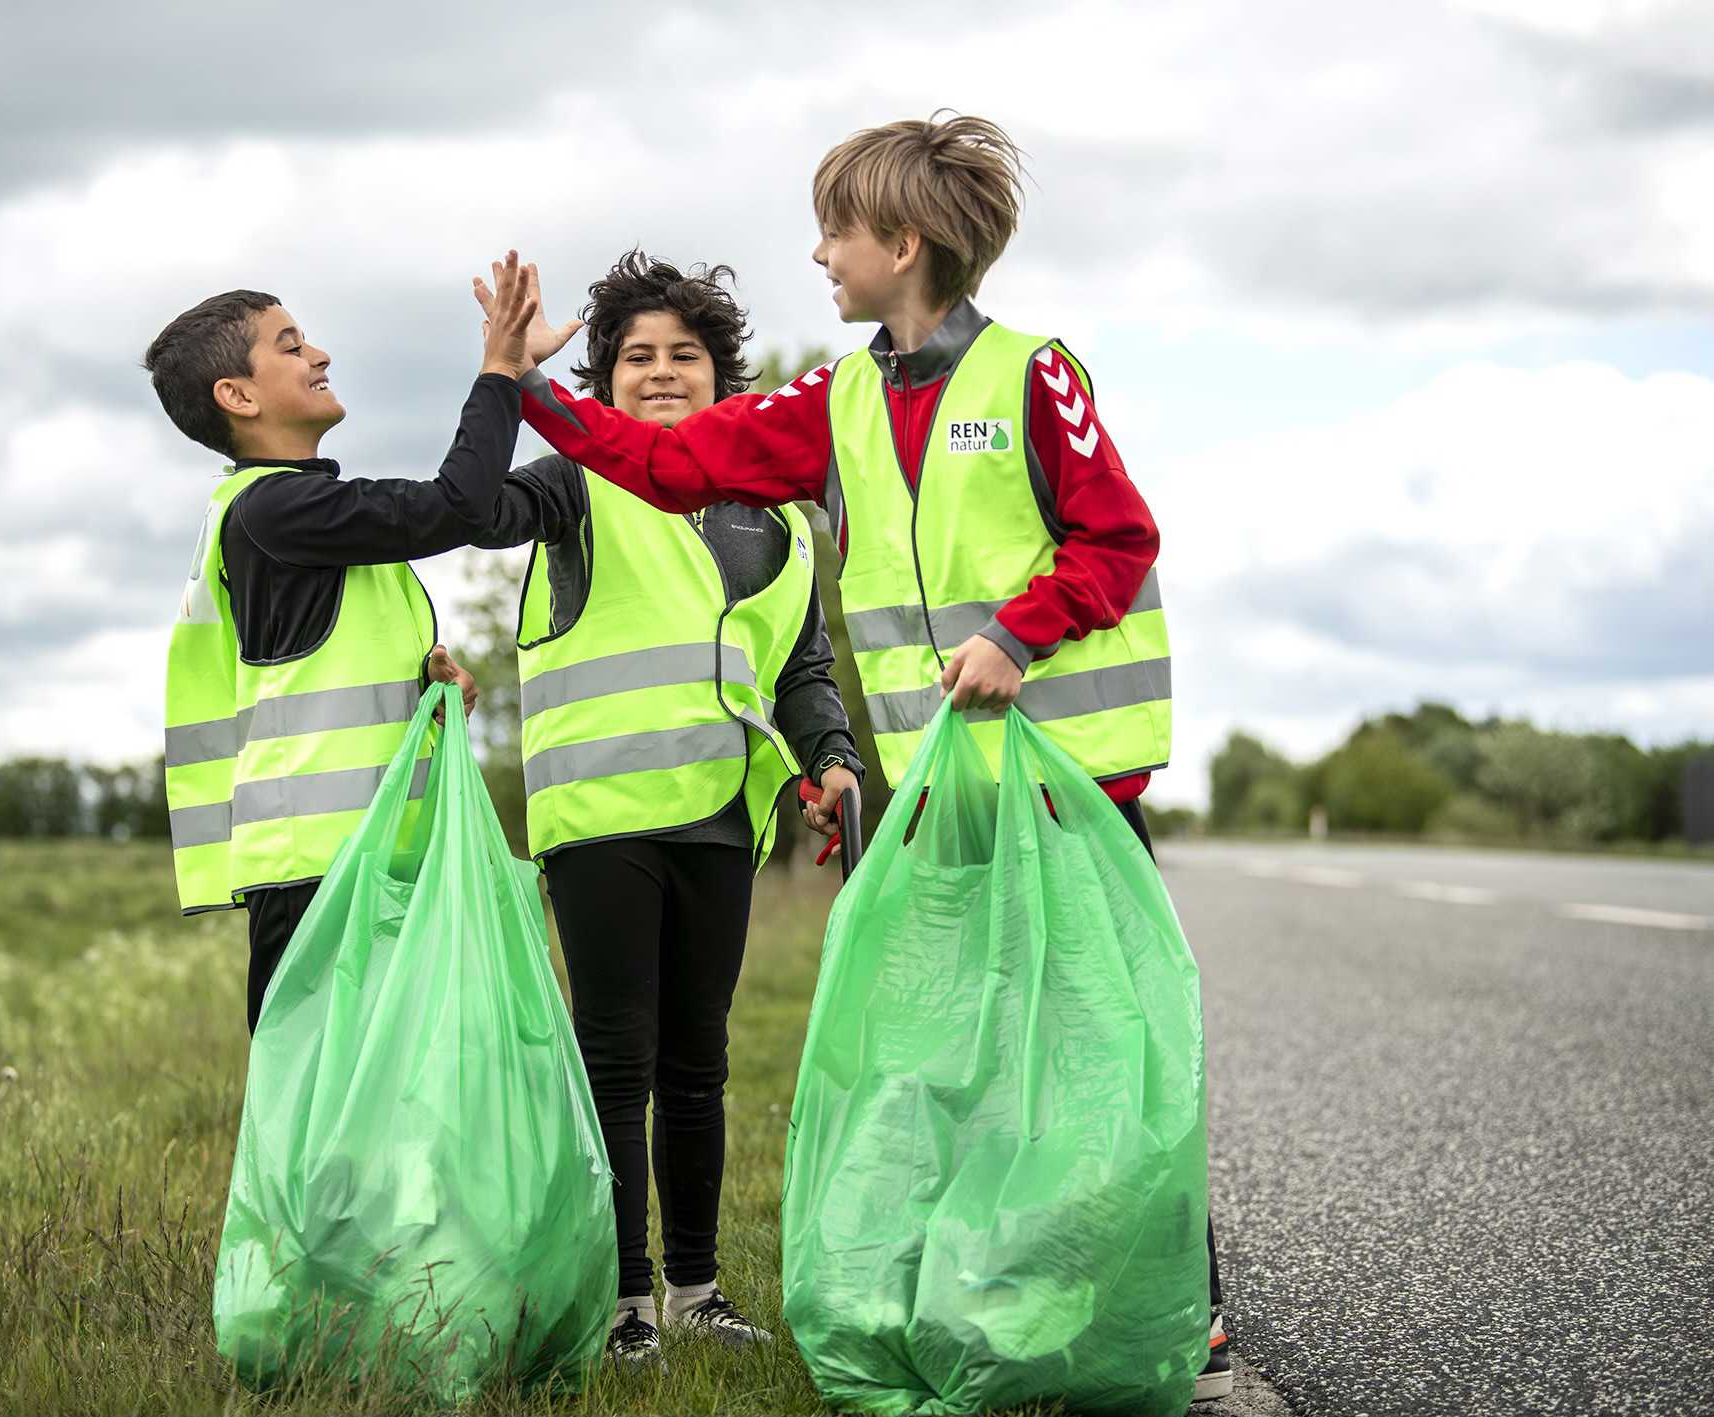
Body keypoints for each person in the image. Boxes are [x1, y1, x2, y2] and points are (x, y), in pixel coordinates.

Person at [498, 118, 1233, 1401]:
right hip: (941, 797)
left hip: (1072, 791)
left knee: (1096, 1053)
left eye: (835, 230)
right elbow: (670, 466)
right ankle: (998, 1294)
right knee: (961, 1062)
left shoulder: (1031, 377)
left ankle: (1184, 1303)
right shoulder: (830, 401)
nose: (818, 254)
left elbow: (1115, 539)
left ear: (901, 245)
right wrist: (526, 390)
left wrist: (1019, 630)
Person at [468, 251, 863, 1367]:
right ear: (603, 376)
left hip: (719, 820)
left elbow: (801, 663)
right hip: (597, 818)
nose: (657, 372)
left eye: (681, 355)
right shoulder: (570, 484)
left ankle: (695, 1290)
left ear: (718, 375)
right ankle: (621, 1300)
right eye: (634, 356)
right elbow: (475, 507)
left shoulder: (776, 514)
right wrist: (505, 379)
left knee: (699, 1061)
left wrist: (828, 754)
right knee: (615, 1060)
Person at [147, 253, 538, 1033]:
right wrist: (499, 374)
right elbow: (454, 506)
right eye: (290, 346)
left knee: (359, 1119)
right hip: (322, 868)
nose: (319, 354)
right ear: (239, 395)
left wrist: (429, 691)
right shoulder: (277, 510)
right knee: (322, 1127)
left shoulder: (288, 515)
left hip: (353, 862)